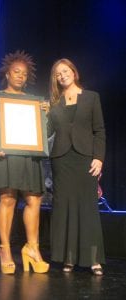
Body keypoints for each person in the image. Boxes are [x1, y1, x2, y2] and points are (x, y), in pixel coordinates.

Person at [0, 50, 49, 274]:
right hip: (6, 155)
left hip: (29, 155)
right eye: (16, 72)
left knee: (34, 200)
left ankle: (32, 248)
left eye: (24, 74)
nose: (20, 76)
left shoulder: (34, 102)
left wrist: (45, 115)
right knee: (8, 199)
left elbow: (43, 132)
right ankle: (5, 249)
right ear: (7, 74)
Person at [47, 58, 106, 275]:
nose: (62, 75)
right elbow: (45, 133)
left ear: (74, 71)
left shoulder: (91, 97)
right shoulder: (53, 103)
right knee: (63, 209)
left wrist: (99, 157)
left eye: (65, 71)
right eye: (57, 74)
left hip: (85, 160)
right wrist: (40, 114)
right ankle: (67, 258)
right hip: (61, 160)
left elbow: (99, 131)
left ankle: (93, 259)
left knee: (87, 209)